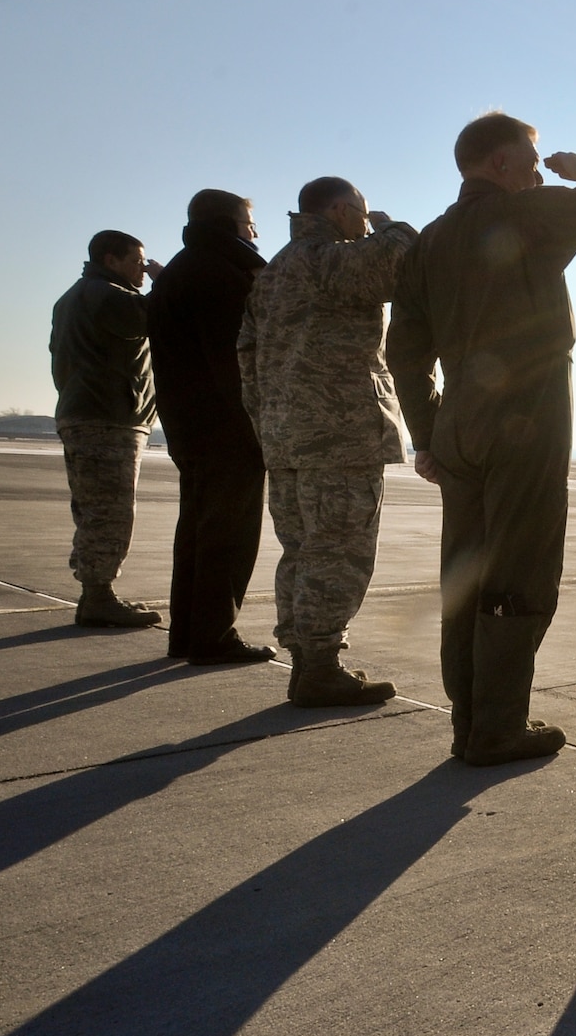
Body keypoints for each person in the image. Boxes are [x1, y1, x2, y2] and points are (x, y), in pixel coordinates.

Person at [390, 114, 576, 765]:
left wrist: (428, 433)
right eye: (528, 158)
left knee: (464, 574)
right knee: (519, 569)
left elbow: (404, 352)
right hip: (526, 414)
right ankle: (498, 729)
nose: (536, 168)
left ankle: (470, 723)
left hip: (457, 423)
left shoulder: (429, 243)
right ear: (498, 163)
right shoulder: (527, 216)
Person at [238, 177, 417, 708]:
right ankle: (319, 666)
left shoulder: (272, 273)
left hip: (286, 437)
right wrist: (390, 227)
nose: (363, 222)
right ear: (340, 210)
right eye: (358, 213)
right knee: (338, 552)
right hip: (337, 436)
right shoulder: (326, 259)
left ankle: (307, 661)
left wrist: (269, 422)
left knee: (302, 550)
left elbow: (246, 358)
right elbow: (401, 262)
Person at [146, 189, 275, 666]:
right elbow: (235, 364)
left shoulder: (180, 270)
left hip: (188, 424)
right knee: (229, 534)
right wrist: (256, 427)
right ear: (229, 223)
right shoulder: (222, 274)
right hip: (227, 426)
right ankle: (214, 635)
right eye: (248, 221)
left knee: (197, 532)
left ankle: (189, 631)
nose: (254, 231)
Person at [49, 229, 164, 628]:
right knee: (110, 511)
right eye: (137, 262)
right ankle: (98, 595)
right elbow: (158, 319)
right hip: (107, 417)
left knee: (92, 507)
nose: (143, 271)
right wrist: (167, 283)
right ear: (111, 260)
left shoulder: (72, 299)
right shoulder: (110, 297)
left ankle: (94, 590)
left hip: (83, 412)